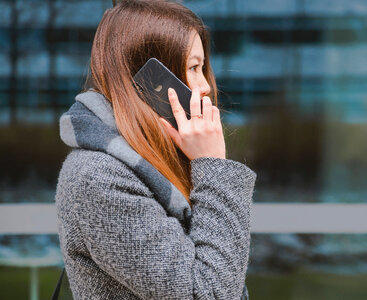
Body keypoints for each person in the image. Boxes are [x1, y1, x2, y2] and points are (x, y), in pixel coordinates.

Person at [55, 0, 256, 299]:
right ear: (151, 78)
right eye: (193, 68)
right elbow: (208, 293)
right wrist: (212, 162)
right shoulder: (98, 178)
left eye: (203, 68)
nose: (204, 87)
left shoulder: (155, 160)